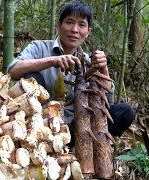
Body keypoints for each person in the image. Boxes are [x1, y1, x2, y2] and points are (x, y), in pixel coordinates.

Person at [7, 0, 135, 147]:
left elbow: (105, 106)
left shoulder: (90, 62)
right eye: (69, 22)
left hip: (77, 129)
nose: (75, 30)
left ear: (88, 32)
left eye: (81, 25)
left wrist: (103, 69)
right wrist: (52, 60)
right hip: (39, 124)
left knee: (125, 112)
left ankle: (90, 150)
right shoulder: (39, 48)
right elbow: (13, 70)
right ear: (59, 25)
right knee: (32, 78)